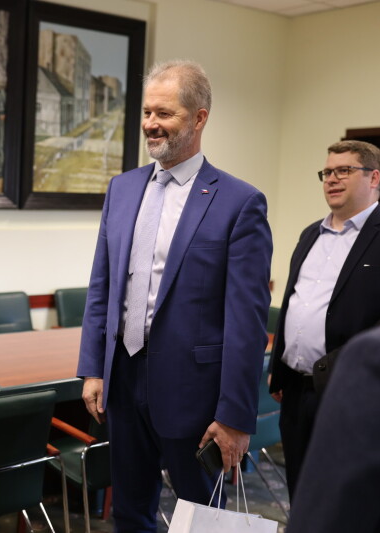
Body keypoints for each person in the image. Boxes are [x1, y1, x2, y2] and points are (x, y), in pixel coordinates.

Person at [77, 60, 272, 532]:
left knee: (200, 519)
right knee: (129, 513)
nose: (151, 123)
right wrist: (92, 368)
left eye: (164, 113)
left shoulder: (239, 202)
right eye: (147, 112)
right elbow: (103, 286)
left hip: (195, 395)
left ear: (199, 118)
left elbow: (246, 322)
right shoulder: (122, 189)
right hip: (123, 382)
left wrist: (235, 416)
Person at [268, 140, 380, 500]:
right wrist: (280, 368)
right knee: (299, 493)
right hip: (295, 392)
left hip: (350, 391)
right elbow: (295, 302)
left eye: (344, 170)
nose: (331, 179)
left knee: (342, 499)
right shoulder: (310, 234)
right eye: (327, 172)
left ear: (374, 177)